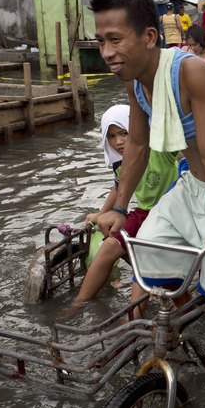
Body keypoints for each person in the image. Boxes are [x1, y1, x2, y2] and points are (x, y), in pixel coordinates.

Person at [90, 0, 205, 346]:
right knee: (149, 255)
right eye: (100, 41)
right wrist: (121, 208)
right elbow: (138, 145)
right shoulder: (136, 83)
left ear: (149, 37)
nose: (107, 52)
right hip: (190, 186)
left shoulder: (192, 72)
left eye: (115, 39)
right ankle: (178, 330)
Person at [73, 104, 179, 306]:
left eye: (124, 133)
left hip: (172, 214)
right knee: (109, 247)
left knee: (148, 259)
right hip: (144, 213)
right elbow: (119, 188)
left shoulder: (159, 149)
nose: (118, 142)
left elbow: (170, 124)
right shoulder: (119, 163)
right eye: (111, 136)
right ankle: (78, 304)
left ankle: (138, 310)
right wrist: (101, 213)